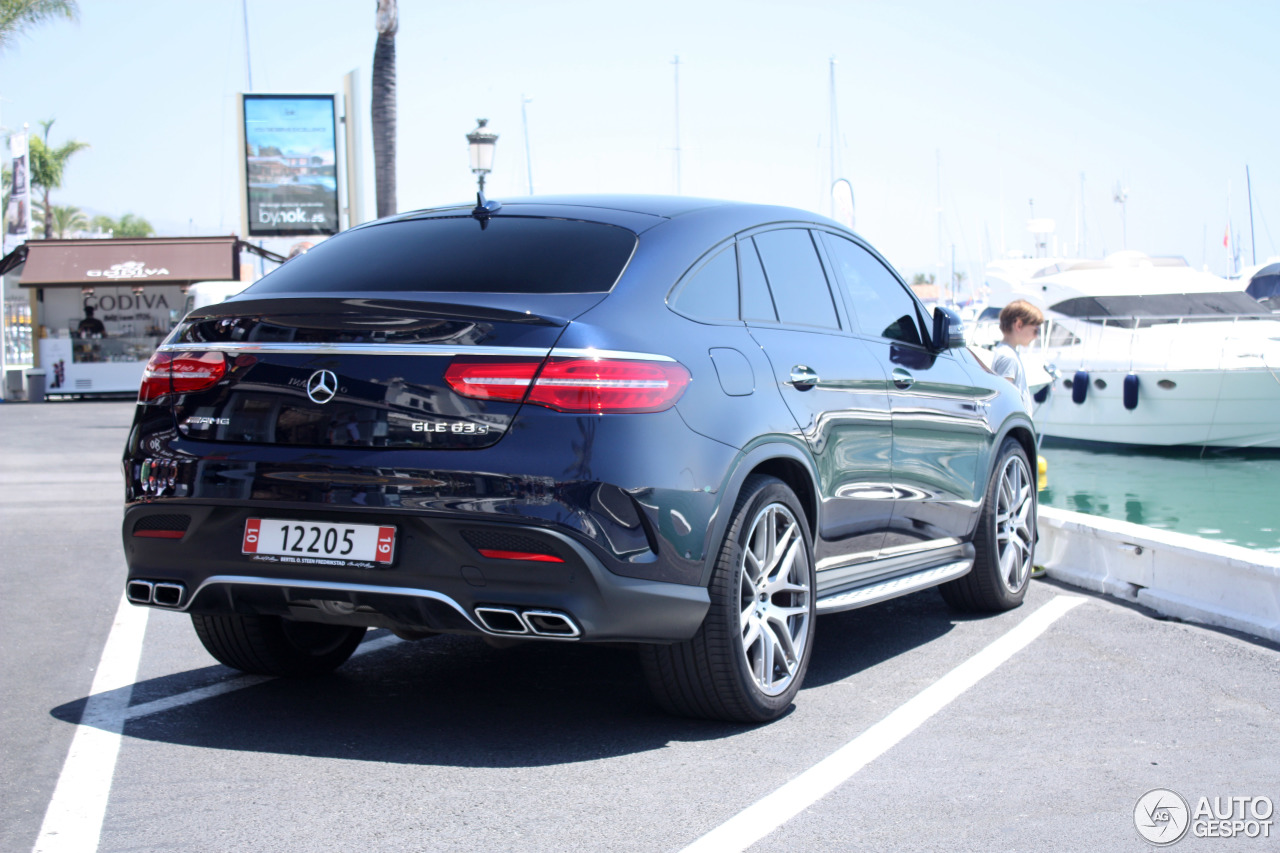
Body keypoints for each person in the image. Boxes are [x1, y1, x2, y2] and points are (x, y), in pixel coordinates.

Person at [991, 299, 1043, 411]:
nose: (1036, 336)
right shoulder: (1008, 357)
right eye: (1035, 330)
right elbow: (1003, 400)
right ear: (1019, 325)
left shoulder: (1005, 352)